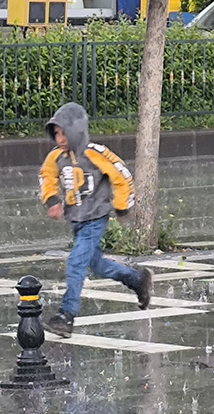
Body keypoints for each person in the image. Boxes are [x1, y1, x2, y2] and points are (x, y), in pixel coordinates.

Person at [39, 102, 153, 337]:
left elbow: (121, 175)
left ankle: (66, 315)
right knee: (97, 265)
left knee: (76, 263)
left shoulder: (95, 153)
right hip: (76, 220)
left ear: (76, 131)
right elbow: (46, 176)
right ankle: (137, 279)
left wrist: (122, 207)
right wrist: (52, 201)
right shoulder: (56, 158)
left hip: (95, 219)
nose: (60, 139)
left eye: (64, 132)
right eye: (56, 133)